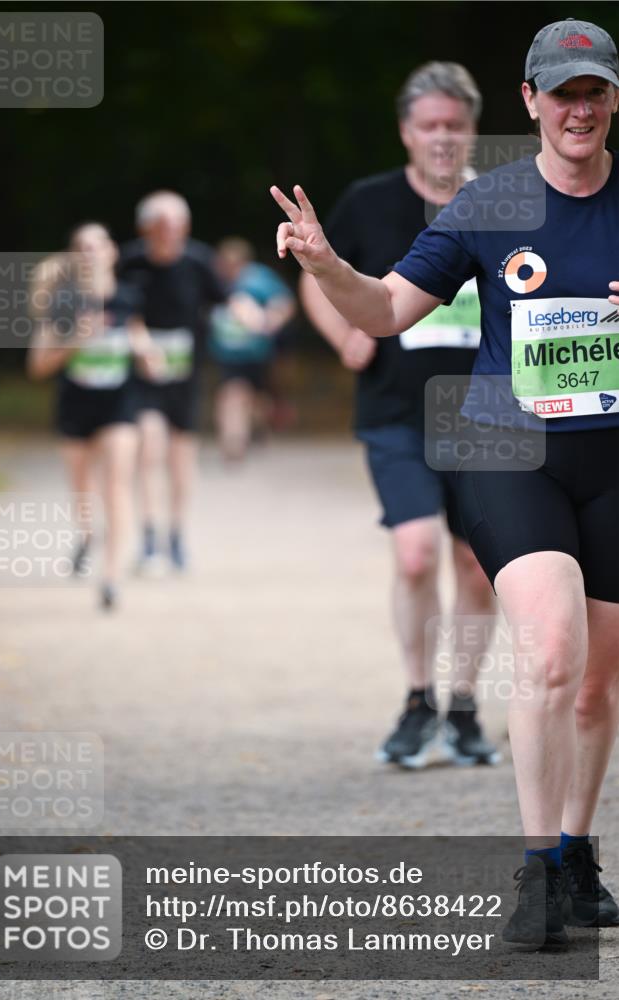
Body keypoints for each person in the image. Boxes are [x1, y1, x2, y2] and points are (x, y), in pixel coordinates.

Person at [272, 16, 619, 949]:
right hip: (510, 451)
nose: (576, 109)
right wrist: (325, 265)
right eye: (560, 93)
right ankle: (540, 868)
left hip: (614, 459)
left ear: (612, 101)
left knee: (597, 686)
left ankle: (580, 855)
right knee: (550, 654)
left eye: (592, 93)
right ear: (530, 102)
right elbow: (384, 308)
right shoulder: (490, 205)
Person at [301, 62, 499, 769]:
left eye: (454, 125)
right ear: (405, 132)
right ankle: (418, 700)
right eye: (429, 126)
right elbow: (317, 276)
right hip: (396, 409)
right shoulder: (369, 201)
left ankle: (465, 709)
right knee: (415, 552)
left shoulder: (504, 200)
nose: (442, 138)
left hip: (488, 415)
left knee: (477, 567)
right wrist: (343, 335)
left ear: (471, 128)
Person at [27, 223, 150, 610]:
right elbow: (38, 365)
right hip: (75, 406)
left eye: (97, 245)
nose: (91, 252)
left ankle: (111, 577)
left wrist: (147, 353)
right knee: (82, 487)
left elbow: (144, 349)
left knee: (117, 484)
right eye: (82, 246)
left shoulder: (129, 298)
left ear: (112, 252)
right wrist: (75, 340)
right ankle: (85, 535)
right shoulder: (62, 302)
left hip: (119, 406)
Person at [119, 191, 226, 572]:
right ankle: (148, 538)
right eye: (163, 225)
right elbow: (120, 308)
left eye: (179, 225)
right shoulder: (130, 261)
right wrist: (141, 344)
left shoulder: (199, 261)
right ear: (146, 228)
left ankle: (176, 536)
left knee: (181, 456)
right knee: (148, 448)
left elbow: (225, 298)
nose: (172, 233)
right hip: (143, 374)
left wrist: (249, 312)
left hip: (186, 373)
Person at [210, 237, 295, 461]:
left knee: (257, 399)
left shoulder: (259, 278)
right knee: (233, 394)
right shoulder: (216, 280)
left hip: (257, 352)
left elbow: (284, 302)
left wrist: (268, 322)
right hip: (228, 354)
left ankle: (257, 429)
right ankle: (233, 443)